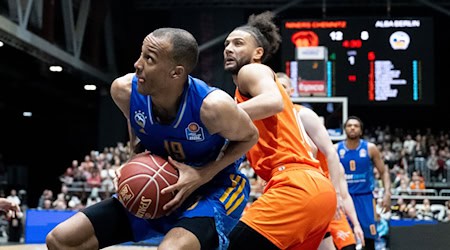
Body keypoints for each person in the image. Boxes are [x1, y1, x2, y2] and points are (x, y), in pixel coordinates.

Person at [46, 27, 259, 250]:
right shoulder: (124, 91)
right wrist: (132, 159)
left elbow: (249, 137)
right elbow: (136, 123)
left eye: (149, 58)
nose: (137, 64)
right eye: (141, 54)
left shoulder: (213, 106)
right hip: (158, 187)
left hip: (213, 188)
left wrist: (202, 175)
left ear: (176, 73)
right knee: (61, 241)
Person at [224, 11, 340, 250]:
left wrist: (213, 120)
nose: (228, 48)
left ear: (258, 53)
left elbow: (273, 100)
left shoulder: (252, 71)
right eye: (226, 43)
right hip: (315, 188)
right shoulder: (247, 104)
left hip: (295, 186)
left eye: (238, 43)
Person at [277, 72, 364, 250]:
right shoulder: (272, 119)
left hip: (320, 188)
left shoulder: (303, 115)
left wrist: (355, 222)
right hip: (299, 191)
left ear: (291, 90)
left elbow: (327, 153)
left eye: (283, 87)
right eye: (276, 87)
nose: (279, 91)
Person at [335, 116, 391, 250]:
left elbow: (384, 172)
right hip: (344, 198)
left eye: (356, 126)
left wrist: (387, 193)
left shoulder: (370, 148)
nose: (352, 128)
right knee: (344, 238)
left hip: (365, 197)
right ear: (345, 130)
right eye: (349, 125)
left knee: (369, 239)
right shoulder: (335, 149)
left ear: (361, 131)